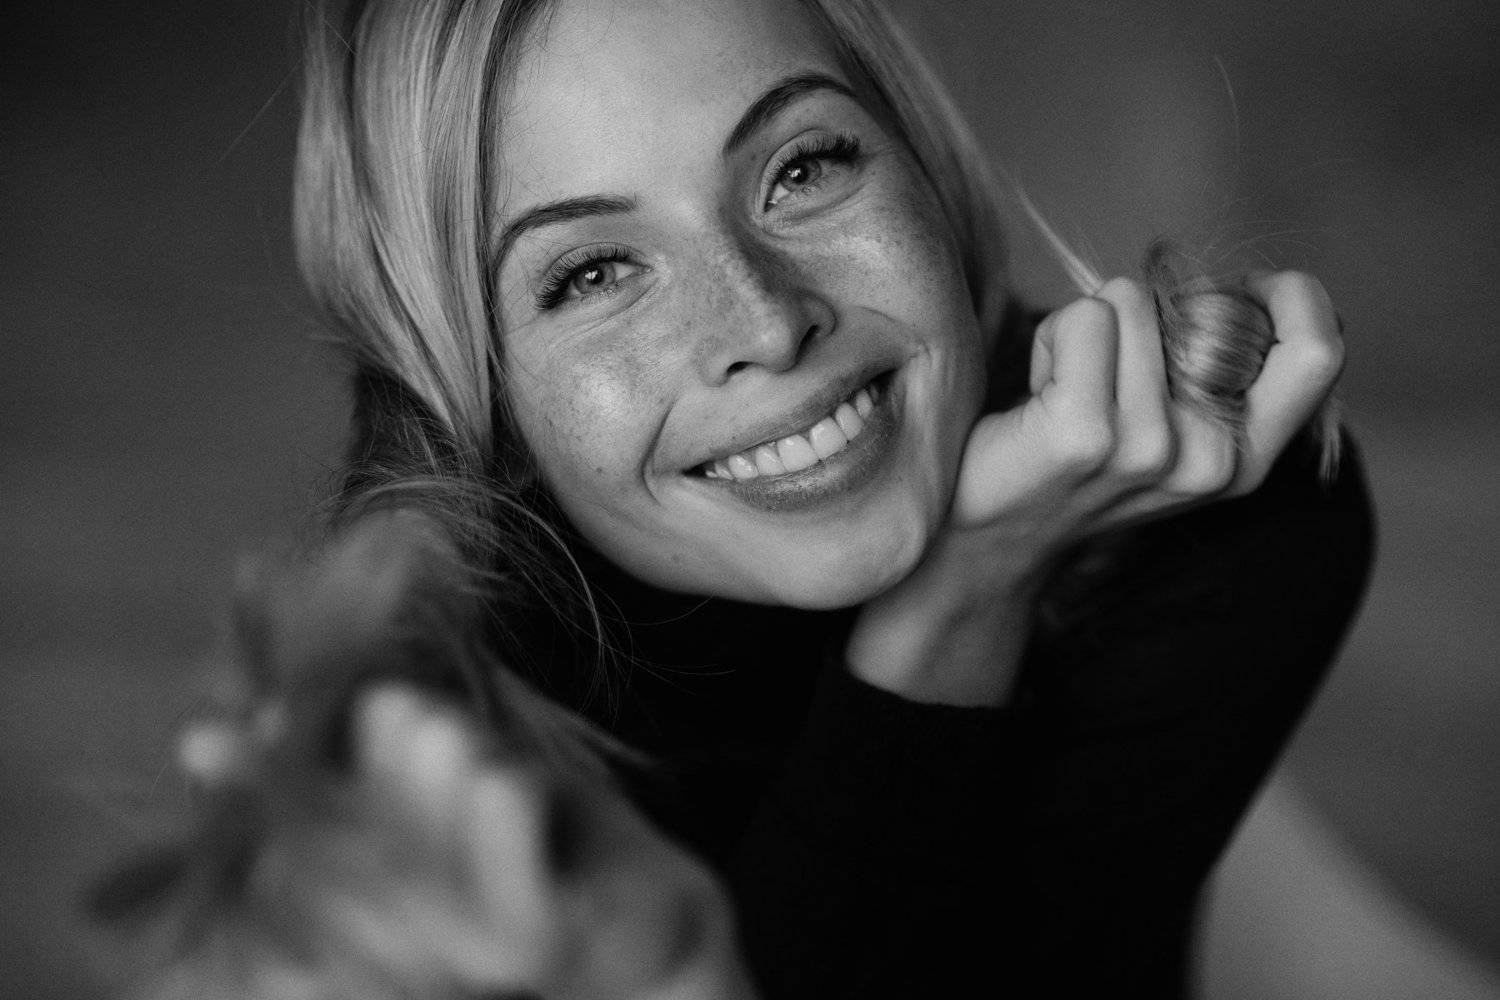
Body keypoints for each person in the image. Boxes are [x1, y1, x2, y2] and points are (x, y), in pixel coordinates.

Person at [98, 0, 1373, 996]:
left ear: (925, 162)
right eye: (594, 272)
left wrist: (959, 601)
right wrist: (953, 601)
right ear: (472, 382)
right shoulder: (449, 742)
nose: (764, 322)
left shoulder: (1215, 517)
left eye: (803, 167)